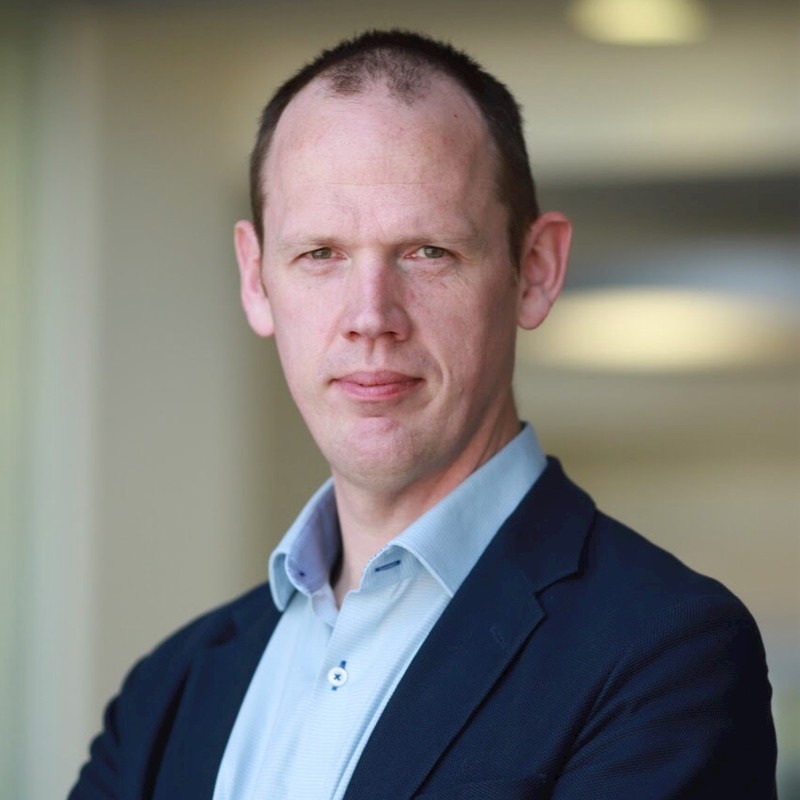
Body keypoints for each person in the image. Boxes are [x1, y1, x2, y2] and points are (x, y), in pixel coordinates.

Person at [69, 29, 777, 800]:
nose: (370, 317)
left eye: (428, 251)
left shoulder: (665, 657)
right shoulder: (167, 695)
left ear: (535, 270)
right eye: (320, 255)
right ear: (255, 278)